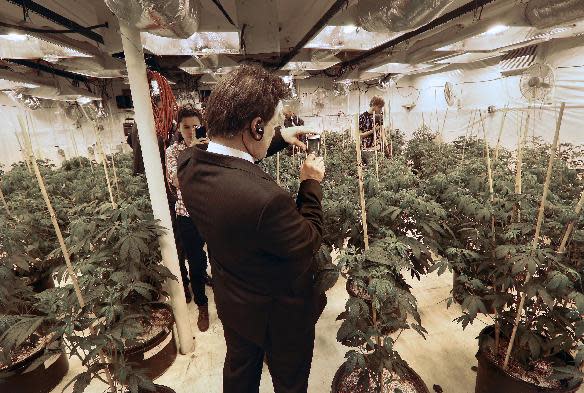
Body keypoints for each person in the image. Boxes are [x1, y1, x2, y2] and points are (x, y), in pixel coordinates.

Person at [178, 65, 326, 393]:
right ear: (256, 126)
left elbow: (235, 156)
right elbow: (308, 238)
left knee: (240, 374)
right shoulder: (266, 200)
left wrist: (279, 139)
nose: (275, 129)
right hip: (279, 314)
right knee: (290, 381)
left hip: (234, 301)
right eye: (273, 125)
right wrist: (310, 184)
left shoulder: (189, 164)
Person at [165, 106, 211, 332]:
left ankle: (223, 298)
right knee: (194, 261)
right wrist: (192, 151)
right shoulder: (173, 151)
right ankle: (202, 304)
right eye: (186, 127)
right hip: (187, 214)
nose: (191, 131)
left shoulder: (211, 146)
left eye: (195, 126)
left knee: (220, 258)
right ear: (178, 128)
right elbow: (176, 180)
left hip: (213, 212)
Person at [359, 96, 385, 164]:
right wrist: (373, 131)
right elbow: (359, 135)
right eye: (380, 107)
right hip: (367, 150)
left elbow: (382, 132)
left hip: (378, 149)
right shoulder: (362, 117)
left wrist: (385, 145)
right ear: (374, 105)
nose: (381, 110)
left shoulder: (379, 117)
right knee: (371, 169)